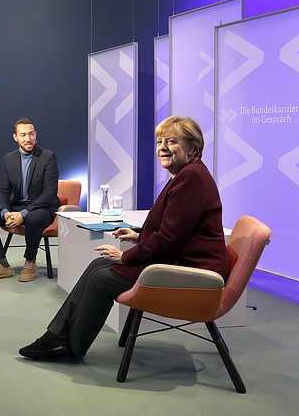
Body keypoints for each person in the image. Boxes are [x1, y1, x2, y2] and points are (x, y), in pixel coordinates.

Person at [18, 116, 231, 360]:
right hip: (181, 260)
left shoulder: (191, 178)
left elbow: (169, 240)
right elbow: (177, 229)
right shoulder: (188, 174)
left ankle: (70, 345)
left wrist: (126, 255)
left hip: (191, 271)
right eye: (159, 141)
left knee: (102, 279)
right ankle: (57, 336)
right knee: (99, 265)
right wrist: (138, 235)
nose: (162, 147)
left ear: (192, 148)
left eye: (171, 141)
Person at [0, 118, 60, 282]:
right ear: (15, 137)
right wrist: (6, 212)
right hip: (17, 206)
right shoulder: (9, 158)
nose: (28, 139)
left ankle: (30, 262)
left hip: (42, 208)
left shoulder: (48, 157)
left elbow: (50, 193)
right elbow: (3, 190)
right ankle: (2, 264)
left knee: (33, 218)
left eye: (31, 134)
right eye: (23, 135)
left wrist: (24, 214)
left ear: (36, 135)